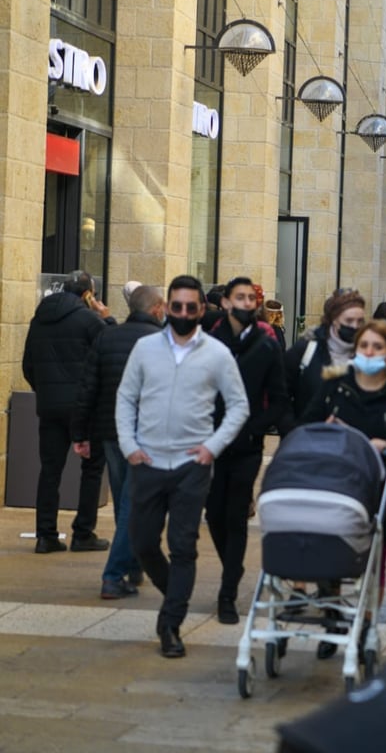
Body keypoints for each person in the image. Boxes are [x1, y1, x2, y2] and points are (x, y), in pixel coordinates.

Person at [116, 275, 250, 658]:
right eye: (178, 306)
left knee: (183, 546)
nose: (184, 313)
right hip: (148, 461)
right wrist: (129, 445)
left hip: (193, 465)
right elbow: (126, 399)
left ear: (201, 309)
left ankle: (171, 624)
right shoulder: (144, 349)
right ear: (167, 307)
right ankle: (176, 593)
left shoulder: (217, 354)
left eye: (192, 307)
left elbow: (239, 405)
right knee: (142, 542)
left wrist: (212, 446)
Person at [301, 319, 386, 657]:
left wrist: (385, 443)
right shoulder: (336, 385)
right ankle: (332, 612)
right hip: (333, 483)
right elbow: (308, 421)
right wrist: (325, 427)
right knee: (328, 548)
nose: (369, 352)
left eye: (377, 347)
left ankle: (366, 622)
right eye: (364, 346)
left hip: (378, 486)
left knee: (375, 558)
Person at [72, 285, 166, 597]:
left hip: (110, 432)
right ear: (155, 310)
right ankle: (113, 575)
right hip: (144, 434)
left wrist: (81, 434)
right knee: (131, 504)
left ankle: (133, 565)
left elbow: (87, 388)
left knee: (127, 501)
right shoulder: (160, 342)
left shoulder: (107, 336)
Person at [206, 277, 289, 625]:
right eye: (238, 297)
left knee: (237, 513)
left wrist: (256, 427)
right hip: (211, 443)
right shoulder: (209, 343)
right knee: (213, 514)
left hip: (246, 444)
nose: (245, 302)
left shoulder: (266, 344)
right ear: (225, 302)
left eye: (249, 297)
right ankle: (233, 566)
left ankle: (228, 593)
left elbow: (279, 398)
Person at [23, 269, 113, 554]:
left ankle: (45, 535)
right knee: (92, 468)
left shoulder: (39, 319)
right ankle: (83, 533)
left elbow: (28, 364)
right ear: (88, 294)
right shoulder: (90, 320)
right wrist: (106, 317)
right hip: (83, 407)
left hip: (49, 407)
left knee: (50, 470)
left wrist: (45, 392)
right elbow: (112, 350)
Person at [283, 290, 366, 429]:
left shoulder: (367, 354)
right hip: (307, 438)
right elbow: (281, 396)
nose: (355, 326)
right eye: (349, 320)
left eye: (360, 321)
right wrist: (291, 429)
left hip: (351, 441)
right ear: (334, 319)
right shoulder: (306, 350)